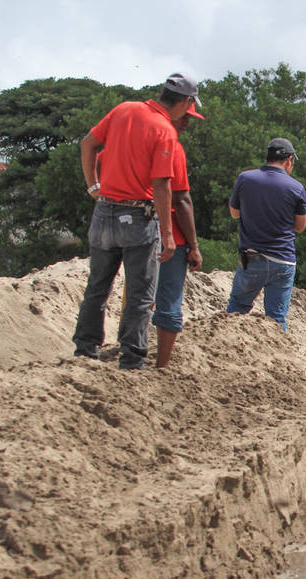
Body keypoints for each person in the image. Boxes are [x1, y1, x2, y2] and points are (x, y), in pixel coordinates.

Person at [73, 72, 199, 370]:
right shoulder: (164, 130)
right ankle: (132, 359)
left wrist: (93, 185)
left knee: (97, 287)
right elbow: (161, 185)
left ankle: (85, 349)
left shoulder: (124, 109)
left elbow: (88, 143)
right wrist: (168, 235)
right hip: (139, 216)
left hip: (104, 210)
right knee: (141, 294)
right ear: (185, 102)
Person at [226, 138, 306, 331]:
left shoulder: (245, 178)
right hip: (283, 261)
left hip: (252, 257)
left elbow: (234, 213)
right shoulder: (296, 187)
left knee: (237, 308)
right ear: (288, 160)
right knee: (276, 318)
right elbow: (300, 226)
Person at [151, 105, 205, 368]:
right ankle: (161, 365)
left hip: (141, 230)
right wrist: (194, 246)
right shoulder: (174, 149)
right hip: (172, 238)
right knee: (169, 301)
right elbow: (182, 200)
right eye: (184, 116)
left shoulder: (143, 143)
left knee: (139, 298)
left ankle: (131, 355)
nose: (187, 123)